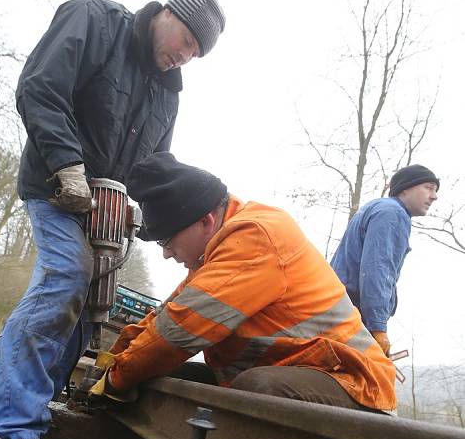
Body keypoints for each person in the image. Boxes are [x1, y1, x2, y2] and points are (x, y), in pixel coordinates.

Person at [0, 0, 225, 439]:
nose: (183, 56)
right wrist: (67, 165)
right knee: (66, 276)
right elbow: (41, 86)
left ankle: (37, 410)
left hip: (107, 211)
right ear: (166, 12)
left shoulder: (167, 93)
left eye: (194, 54)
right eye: (185, 40)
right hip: (55, 185)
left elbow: (155, 165)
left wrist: (146, 216)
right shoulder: (96, 22)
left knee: (92, 304)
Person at [90, 153, 397, 414]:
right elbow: (165, 317)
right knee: (171, 377)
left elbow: (180, 331)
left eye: (166, 241)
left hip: (352, 382)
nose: (167, 253)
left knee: (254, 389)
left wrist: (116, 379)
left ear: (205, 221)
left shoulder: (256, 236)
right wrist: (113, 361)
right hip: (299, 370)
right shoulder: (216, 253)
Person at [331, 164, 440, 356]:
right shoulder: (392, 213)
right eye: (428, 187)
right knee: (376, 380)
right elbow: (378, 270)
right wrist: (378, 327)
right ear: (405, 188)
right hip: (351, 314)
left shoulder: (377, 207)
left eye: (435, 190)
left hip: (337, 307)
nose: (434, 196)